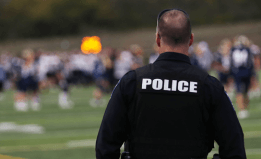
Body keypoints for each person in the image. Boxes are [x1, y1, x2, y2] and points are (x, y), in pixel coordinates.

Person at [96, 9, 246, 159]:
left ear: (158, 39)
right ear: (191, 39)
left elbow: (106, 145)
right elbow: (234, 147)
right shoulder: (209, 85)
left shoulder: (131, 82)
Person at [230, 35, 254, 119]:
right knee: (240, 91)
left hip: (243, 73)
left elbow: (250, 62)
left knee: (244, 91)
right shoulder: (236, 50)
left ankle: (244, 109)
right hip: (240, 73)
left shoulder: (246, 49)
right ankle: (242, 109)